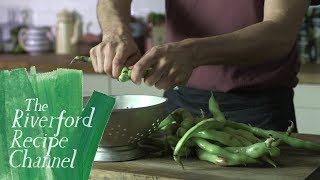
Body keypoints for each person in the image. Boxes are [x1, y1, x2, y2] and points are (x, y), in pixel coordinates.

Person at [90, 0, 318, 132]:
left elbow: (279, 33)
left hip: (258, 109)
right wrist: (115, 33)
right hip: (179, 102)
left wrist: (192, 52)